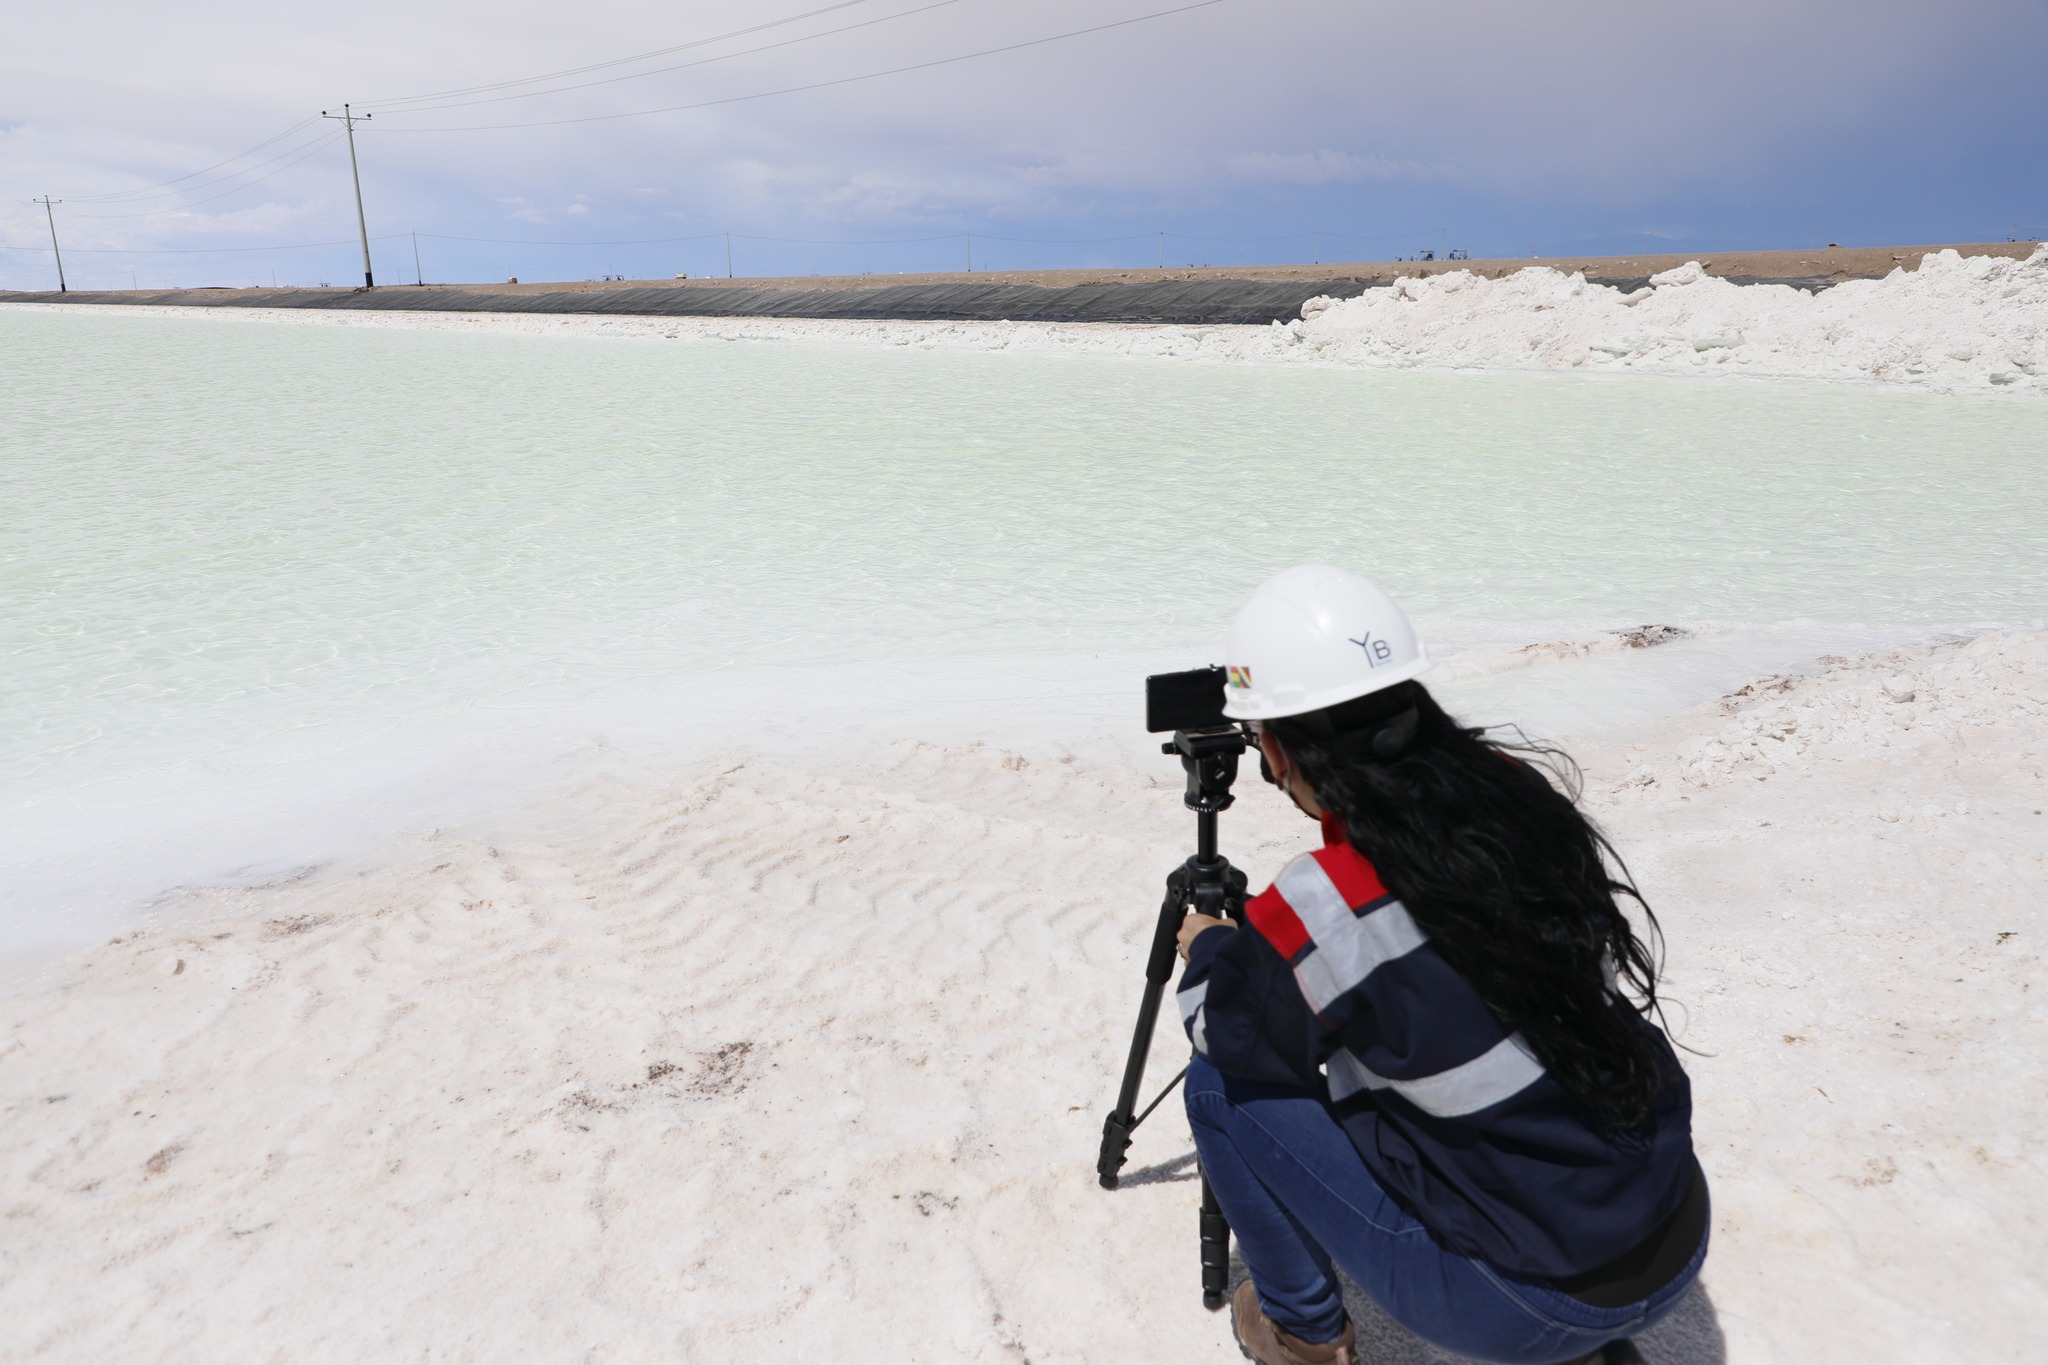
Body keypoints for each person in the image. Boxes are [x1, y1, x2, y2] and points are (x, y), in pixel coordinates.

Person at [1175, 566, 1707, 1365]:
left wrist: (1209, 945)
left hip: (1530, 1306)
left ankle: (1304, 1332)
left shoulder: (1323, 902)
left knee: (1221, 1086)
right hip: (1674, 1225)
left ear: (1277, 746)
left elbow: (1226, 1028)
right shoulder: (1516, 797)